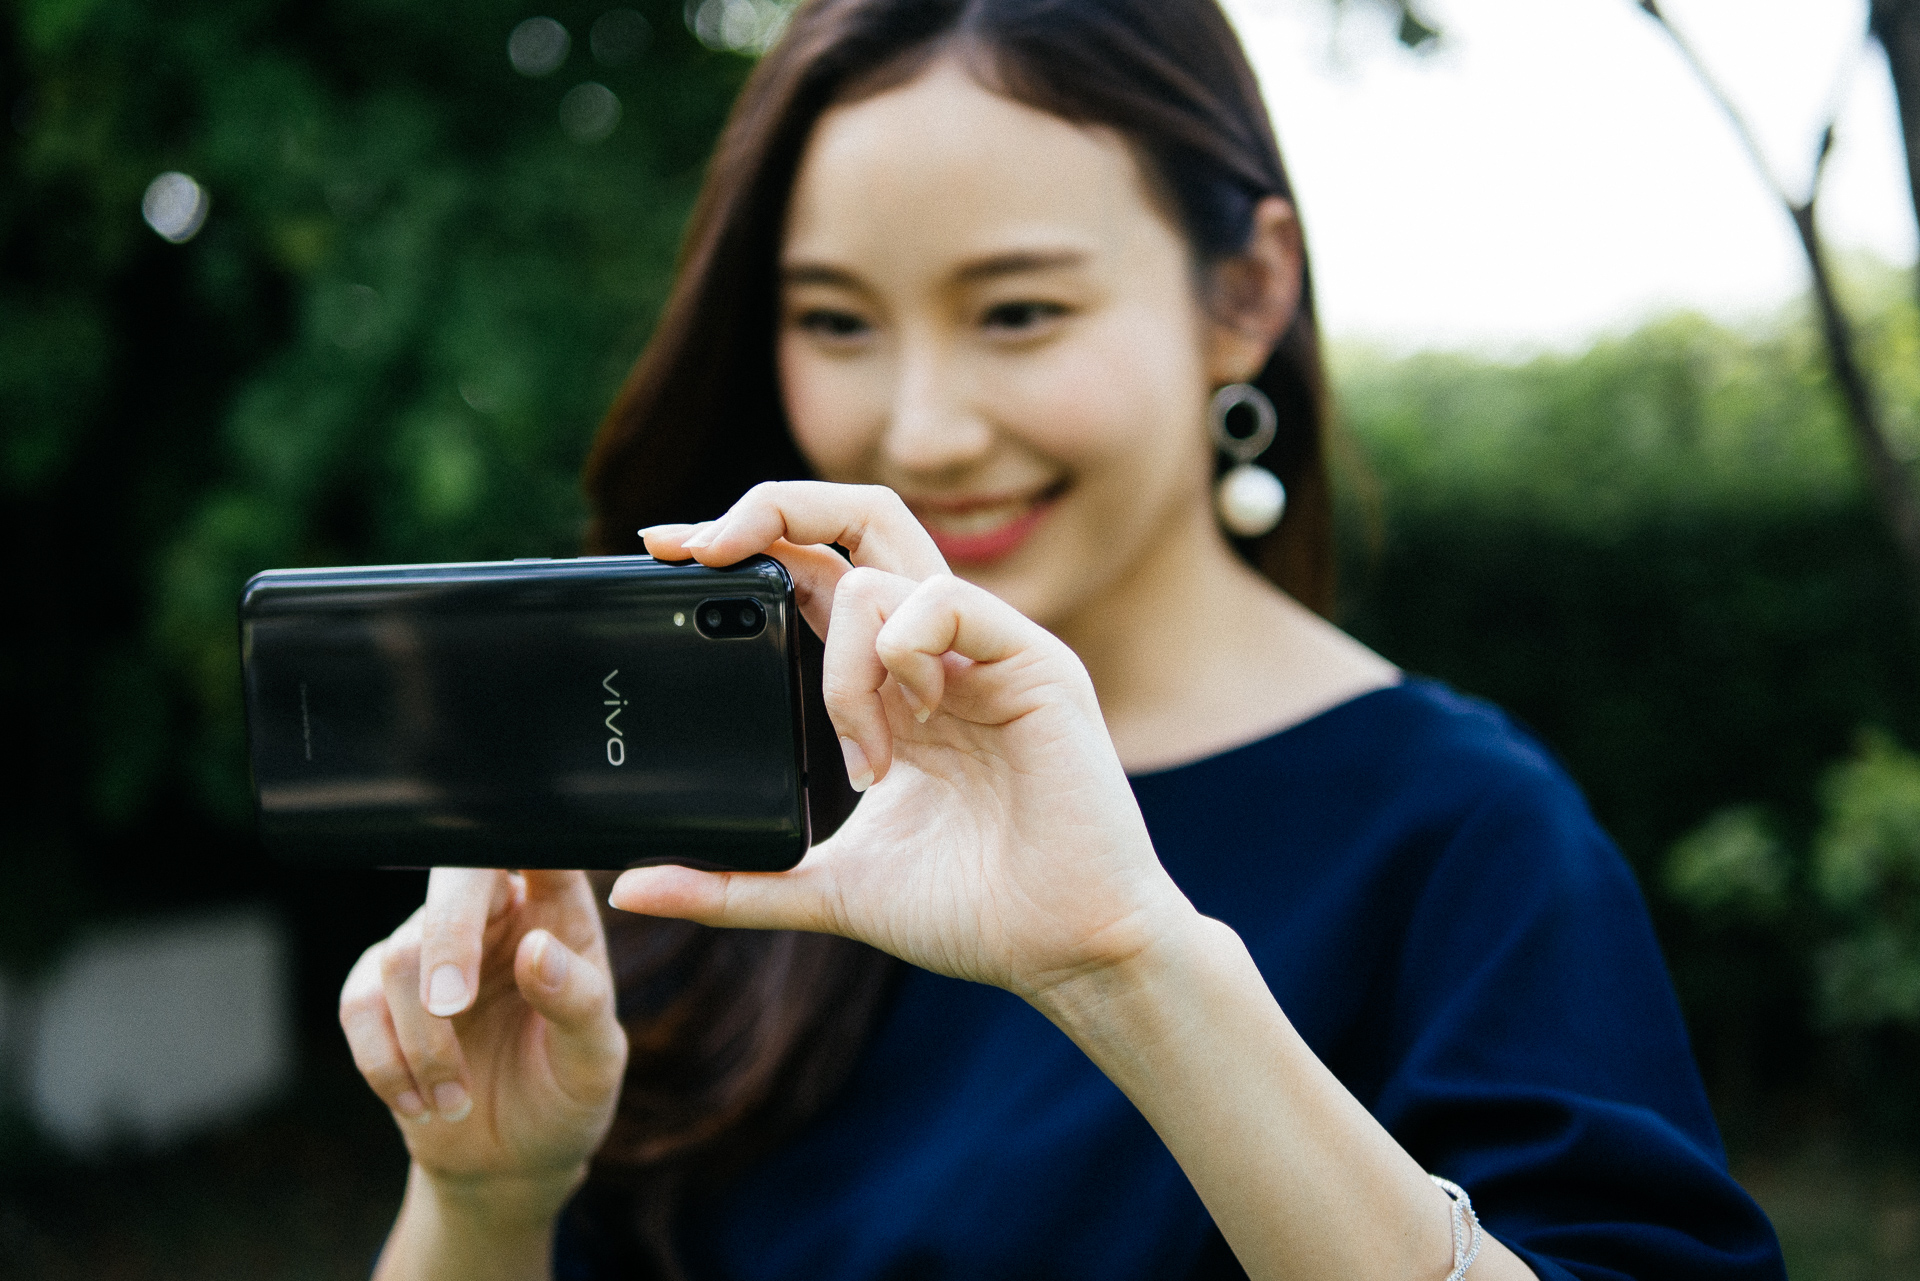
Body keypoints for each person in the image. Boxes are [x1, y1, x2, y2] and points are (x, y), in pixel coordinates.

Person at [337, 1, 1788, 1277]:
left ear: (1246, 292)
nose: (922, 430)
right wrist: (485, 1197)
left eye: (1019, 311)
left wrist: (1131, 967)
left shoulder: (1468, 839)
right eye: (836, 321)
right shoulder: (716, 795)